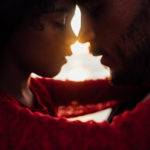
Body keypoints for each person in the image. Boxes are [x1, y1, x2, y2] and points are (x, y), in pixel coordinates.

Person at [0, 0, 150, 150]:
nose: (75, 38)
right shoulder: (5, 120)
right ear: (14, 21)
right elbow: (117, 140)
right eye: (61, 22)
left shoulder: (34, 90)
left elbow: (104, 91)